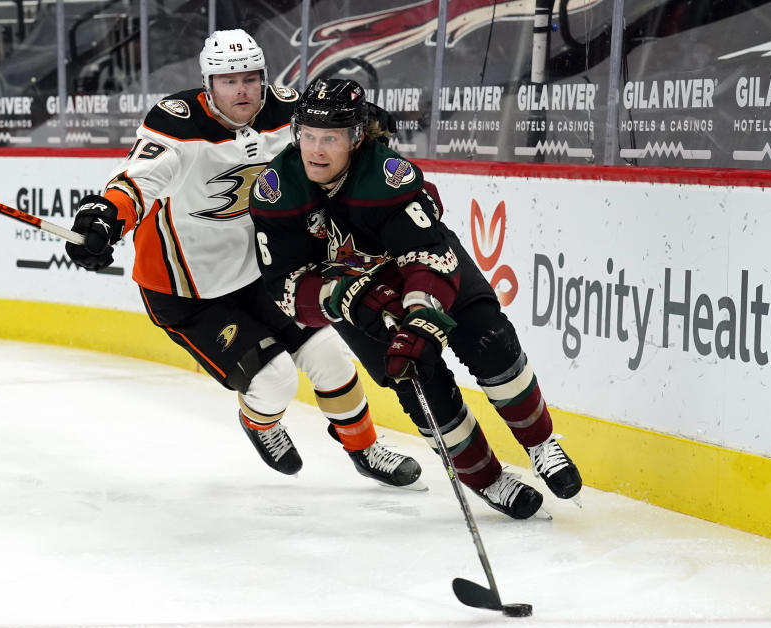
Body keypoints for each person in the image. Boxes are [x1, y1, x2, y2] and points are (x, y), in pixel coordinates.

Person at [64, 30, 421, 488]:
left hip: (258, 273)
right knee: (274, 381)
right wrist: (107, 215)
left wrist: (360, 130)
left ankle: (365, 447)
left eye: (251, 78)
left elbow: (328, 141)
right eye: (228, 80)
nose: (241, 90)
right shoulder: (179, 123)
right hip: (188, 290)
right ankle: (261, 422)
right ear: (207, 83)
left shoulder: (285, 110)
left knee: (330, 355)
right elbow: (139, 178)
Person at [248, 78, 583, 519]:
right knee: (417, 382)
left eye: (329, 138)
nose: (316, 150)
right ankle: (487, 479)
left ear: (355, 137)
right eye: (308, 136)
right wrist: (351, 300)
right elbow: (287, 288)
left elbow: (426, 254)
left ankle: (541, 444)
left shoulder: (386, 175)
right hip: (355, 296)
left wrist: (421, 313)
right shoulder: (277, 190)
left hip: (427, 271)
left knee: (491, 339)